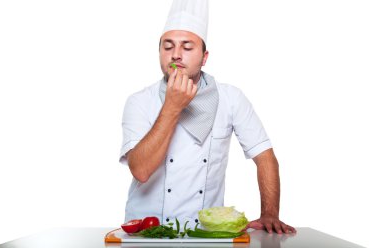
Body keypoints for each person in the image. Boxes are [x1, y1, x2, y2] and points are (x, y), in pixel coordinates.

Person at [119, 0, 296, 234]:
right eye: (168, 46)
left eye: (188, 47)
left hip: (206, 233)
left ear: (204, 57)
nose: (176, 55)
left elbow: (265, 157)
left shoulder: (231, 98)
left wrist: (270, 214)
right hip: (146, 231)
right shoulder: (140, 101)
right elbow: (140, 170)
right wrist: (172, 107)